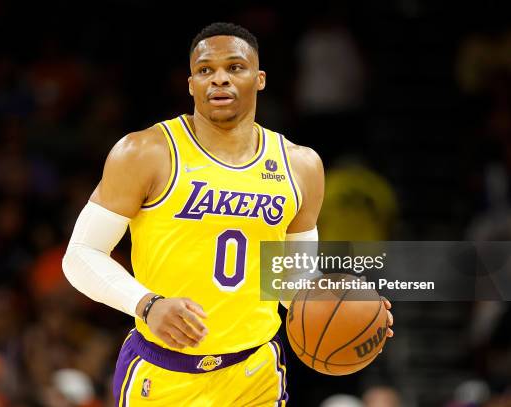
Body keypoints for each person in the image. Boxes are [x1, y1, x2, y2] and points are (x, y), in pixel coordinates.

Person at [62, 22, 393, 406]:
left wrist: (348, 304)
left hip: (254, 374)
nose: (219, 79)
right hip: (163, 374)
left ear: (260, 78)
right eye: (206, 70)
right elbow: (80, 256)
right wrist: (147, 304)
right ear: (191, 84)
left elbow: (292, 277)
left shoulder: (300, 165)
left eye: (235, 67)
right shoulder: (144, 152)